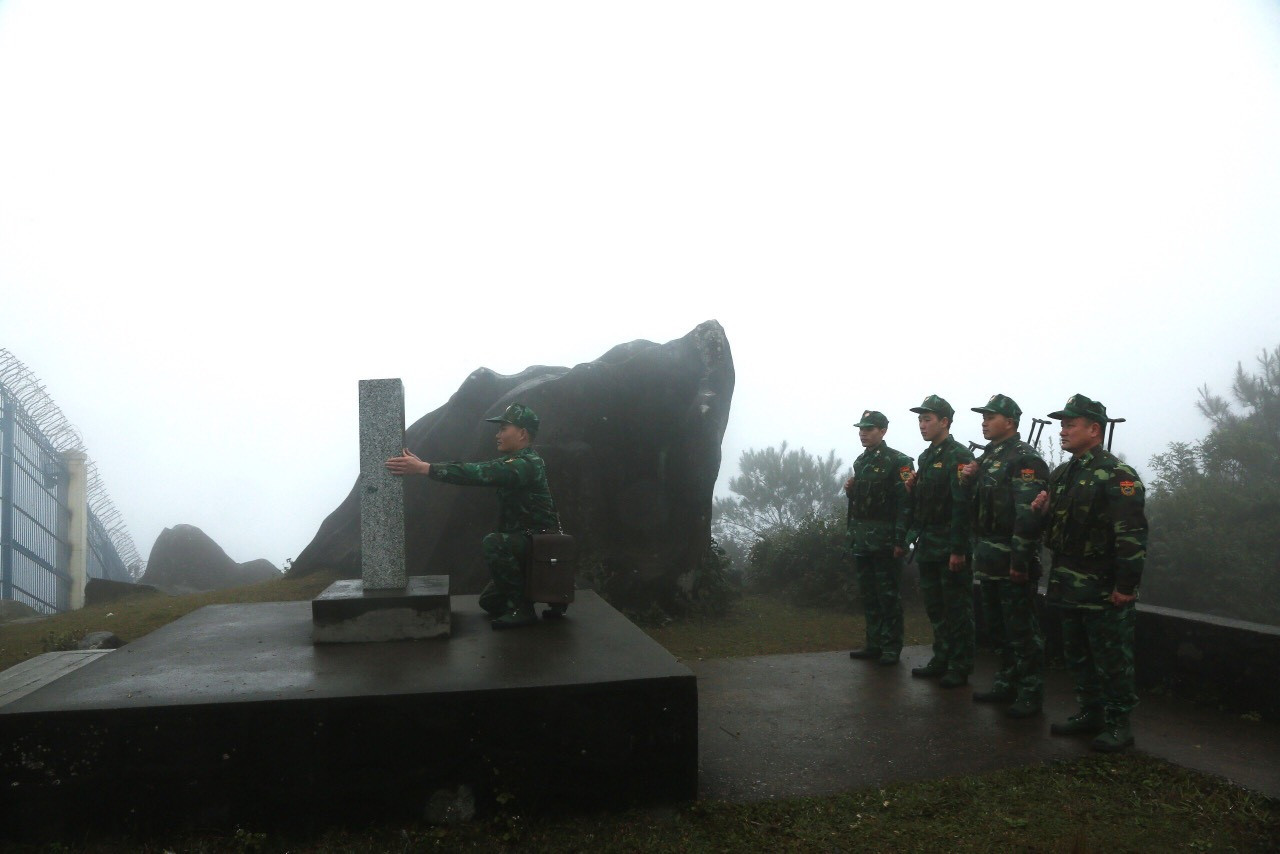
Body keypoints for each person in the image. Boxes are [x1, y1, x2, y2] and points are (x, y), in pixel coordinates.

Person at [1032, 394, 1148, 752]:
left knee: (1111, 658)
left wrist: (1126, 586)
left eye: (1070, 424)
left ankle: (1118, 723)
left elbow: (1131, 536)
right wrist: (1042, 510)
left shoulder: (1117, 475)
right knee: (1077, 654)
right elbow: (1057, 527)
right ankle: (1090, 713)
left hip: (1102, 586)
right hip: (1067, 581)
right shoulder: (1064, 473)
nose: (1063, 431)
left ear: (1093, 429)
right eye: (1062, 425)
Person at [385, 402, 559, 630]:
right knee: (489, 602)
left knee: (495, 543)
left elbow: (477, 473)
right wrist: (425, 465)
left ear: (522, 433)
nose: (497, 435)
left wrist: (424, 468)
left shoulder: (526, 465)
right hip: (526, 542)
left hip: (537, 542)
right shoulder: (514, 461)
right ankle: (541, 593)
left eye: (503, 429)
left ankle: (522, 610)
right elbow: (472, 468)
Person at [961, 394, 1049, 718]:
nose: (983, 421)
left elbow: (1028, 515)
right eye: (983, 416)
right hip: (988, 557)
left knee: (1022, 630)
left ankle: (1029, 691)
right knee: (998, 628)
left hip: (1011, 556)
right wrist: (967, 480)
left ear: (1009, 422)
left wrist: (1020, 561)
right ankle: (1006, 682)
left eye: (990, 416)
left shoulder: (1024, 458)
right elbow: (978, 508)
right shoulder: (988, 458)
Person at [904, 395, 975, 688]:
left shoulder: (958, 456)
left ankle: (960, 665)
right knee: (935, 606)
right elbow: (924, 503)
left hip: (949, 542)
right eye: (920, 419)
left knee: (956, 607)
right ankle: (942, 658)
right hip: (929, 542)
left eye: (927, 419)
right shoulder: (926, 457)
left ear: (944, 422)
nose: (921, 425)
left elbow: (961, 505)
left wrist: (958, 549)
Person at [845, 410, 914, 666]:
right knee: (869, 595)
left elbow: (905, 503)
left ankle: (891, 647)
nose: (863, 433)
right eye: (861, 428)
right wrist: (852, 492)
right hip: (863, 540)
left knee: (888, 596)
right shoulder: (860, 462)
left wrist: (900, 540)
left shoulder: (899, 462)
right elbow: (866, 502)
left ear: (883, 431)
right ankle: (873, 644)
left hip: (885, 541)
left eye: (869, 428)